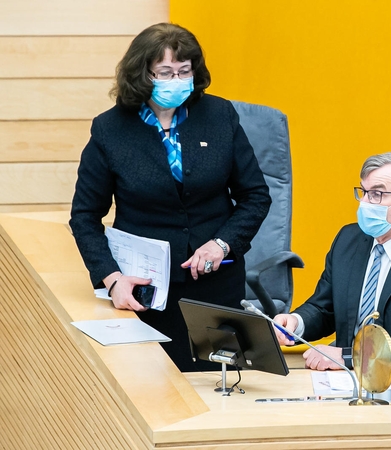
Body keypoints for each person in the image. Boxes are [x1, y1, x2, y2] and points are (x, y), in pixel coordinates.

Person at [69, 23, 271, 371]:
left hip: (214, 285)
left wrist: (222, 244)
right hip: (143, 289)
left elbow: (255, 196)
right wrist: (112, 279)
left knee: (217, 384)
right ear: (143, 74)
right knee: (148, 384)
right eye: (165, 72)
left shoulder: (219, 115)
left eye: (184, 71)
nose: (176, 80)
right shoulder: (110, 129)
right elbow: (85, 217)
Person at [274, 152, 391, 372]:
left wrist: (347, 357)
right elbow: (324, 308)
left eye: (376, 194)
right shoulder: (348, 240)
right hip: (345, 379)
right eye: (363, 192)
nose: (364, 203)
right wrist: (296, 323)